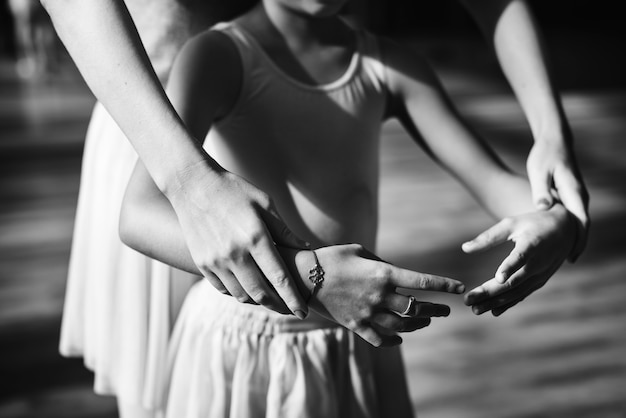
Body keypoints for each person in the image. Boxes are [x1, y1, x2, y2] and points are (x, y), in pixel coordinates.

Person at [39, 0, 588, 415]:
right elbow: (139, 217)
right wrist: (310, 280)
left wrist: (549, 217)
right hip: (243, 344)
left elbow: (501, 185)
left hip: (359, 338)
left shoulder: (389, 65)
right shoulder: (216, 55)